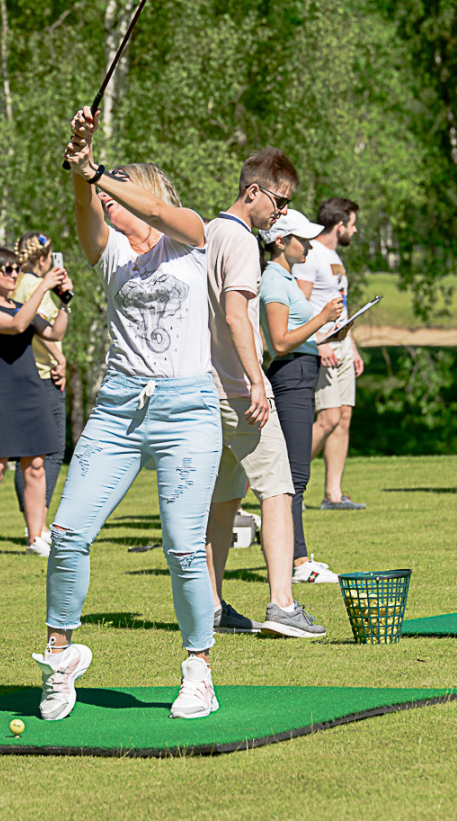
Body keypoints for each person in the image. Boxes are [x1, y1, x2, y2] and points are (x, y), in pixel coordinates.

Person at [32, 107, 222, 723]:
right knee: (66, 536)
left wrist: (98, 169)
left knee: (184, 548)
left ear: (143, 194)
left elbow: (169, 216)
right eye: (104, 197)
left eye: (116, 195)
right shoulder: (109, 253)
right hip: (118, 408)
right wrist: (83, 172)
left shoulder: (192, 239)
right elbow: (87, 213)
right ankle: (60, 654)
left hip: (187, 408)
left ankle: (199, 669)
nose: (107, 204)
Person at [205, 149, 327, 639]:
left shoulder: (209, 232)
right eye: (278, 202)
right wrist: (258, 380)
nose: (280, 214)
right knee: (278, 489)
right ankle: (282, 605)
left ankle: (212, 607)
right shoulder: (237, 239)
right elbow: (237, 315)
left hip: (207, 388)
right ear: (252, 191)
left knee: (222, 502)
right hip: (240, 390)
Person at [0, 247, 72, 562]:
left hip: (31, 390)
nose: (14, 275)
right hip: (0, 392)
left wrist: (65, 303)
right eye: (7, 270)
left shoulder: (21, 306)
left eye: (16, 269)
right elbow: (14, 326)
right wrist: (42, 286)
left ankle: (36, 537)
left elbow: (53, 333)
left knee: (36, 467)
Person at [259, 210, 344, 584]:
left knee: (297, 473)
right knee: (293, 474)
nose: (308, 244)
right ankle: (297, 564)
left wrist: (324, 332)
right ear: (281, 241)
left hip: (300, 371)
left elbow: (295, 333)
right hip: (290, 374)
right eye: (302, 239)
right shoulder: (274, 280)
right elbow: (278, 342)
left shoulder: (287, 278)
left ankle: (300, 557)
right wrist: (323, 317)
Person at [293, 198, 365, 509]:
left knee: (343, 417)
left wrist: (354, 346)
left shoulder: (333, 256)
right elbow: (299, 303)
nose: (355, 229)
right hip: (322, 344)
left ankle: (333, 495)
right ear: (339, 225)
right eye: (352, 223)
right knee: (328, 418)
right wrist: (317, 343)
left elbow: (341, 306)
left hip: (343, 344)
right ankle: (279, 476)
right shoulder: (311, 255)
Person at [12, 232, 70, 542]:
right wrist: (60, 361)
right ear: (44, 258)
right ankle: (39, 524)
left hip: (20, 374)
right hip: (43, 374)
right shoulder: (36, 286)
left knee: (27, 455)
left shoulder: (16, 283)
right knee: (51, 451)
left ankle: (31, 522)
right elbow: (45, 332)